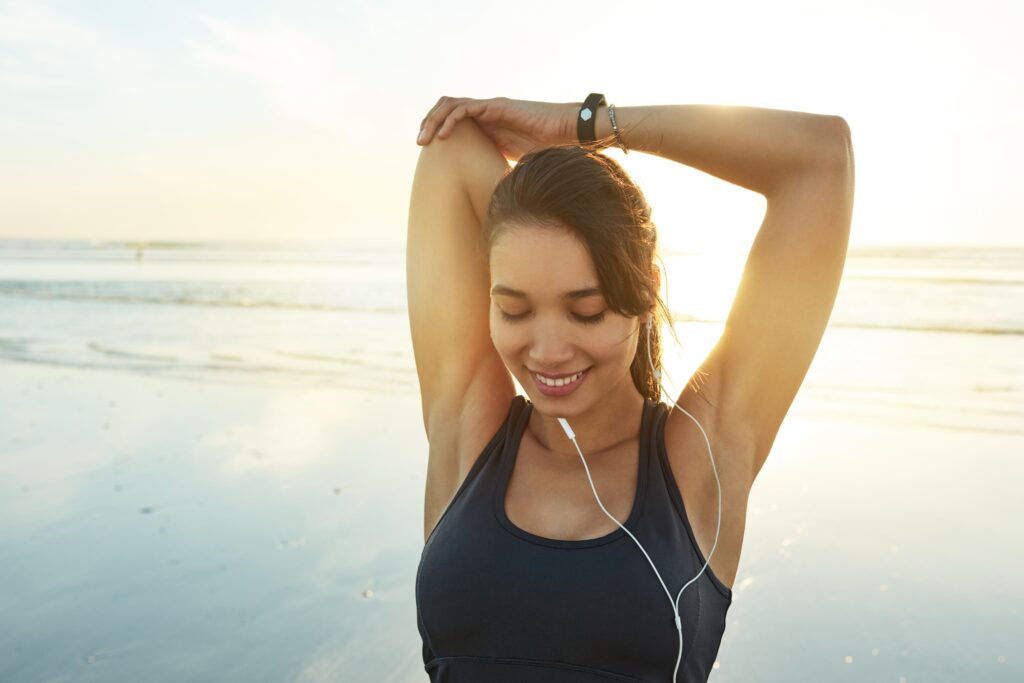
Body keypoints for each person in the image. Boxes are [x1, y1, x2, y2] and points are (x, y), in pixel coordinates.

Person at [406, 95, 854, 682]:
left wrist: (586, 126)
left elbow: (821, 162)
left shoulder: (698, 459)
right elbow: (450, 146)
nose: (546, 352)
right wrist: (551, 191)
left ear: (646, 289)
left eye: (585, 311)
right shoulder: (471, 433)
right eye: (513, 310)